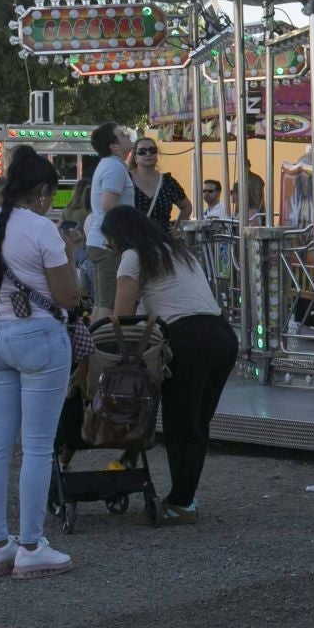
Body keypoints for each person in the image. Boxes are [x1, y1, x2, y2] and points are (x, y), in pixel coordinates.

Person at [0, 147, 82, 581]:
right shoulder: (43, 230)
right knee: (36, 446)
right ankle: (32, 545)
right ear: (41, 191)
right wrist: (70, 252)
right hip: (37, 337)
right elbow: (67, 296)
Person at [105, 205, 237, 521]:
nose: (109, 246)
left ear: (119, 236)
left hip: (186, 338)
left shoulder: (133, 257)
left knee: (180, 424)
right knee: (197, 423)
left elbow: (122, 318)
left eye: (109, 239)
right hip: (222, 335)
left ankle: (181, 503)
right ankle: (184, 498)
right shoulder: (179, 252)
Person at [83, 122, 134, 319]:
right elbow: (108, 205)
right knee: (108, 304)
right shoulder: (114, 167)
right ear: (114, 146)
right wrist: (121, 237)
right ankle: (103, 346)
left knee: (101, 302)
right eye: (122, 134)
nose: (127, 136)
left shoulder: (111, 165)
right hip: (108, 244)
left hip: (100, 242)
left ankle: (95, 344)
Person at [128, 136, 191, 229]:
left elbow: (187, 206)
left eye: (152, 150)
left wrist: (178, 228)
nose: (148, 154)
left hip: (161, 238)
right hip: (133, 238)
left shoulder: (167, 181)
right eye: (142, 151)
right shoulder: (126, 179)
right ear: (135, 157)